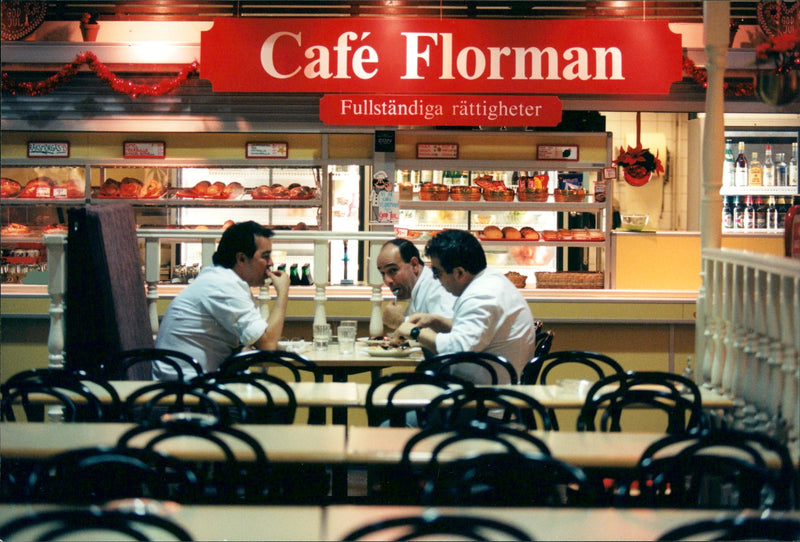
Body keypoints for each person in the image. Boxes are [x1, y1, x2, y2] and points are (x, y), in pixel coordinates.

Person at [393, 229, 537, 384]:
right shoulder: (489, 280)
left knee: (387, 399)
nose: (435, 278)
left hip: (485, 398)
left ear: (459, 273)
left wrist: (414, 331)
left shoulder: (482, 295)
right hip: (484, 385)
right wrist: (435, 320)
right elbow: (475, 333)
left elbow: (457, 349)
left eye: (437, 272)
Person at [154, 221, 290, 379]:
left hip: (192, 381)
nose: (271, 263)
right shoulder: (223, 285)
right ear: (241, 259)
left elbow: (258, 340)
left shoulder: (223, 279)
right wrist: (283, 293)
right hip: (184, 389)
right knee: (277, 394)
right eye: (265, 256)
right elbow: (267, 346)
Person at [376, 238, 456, 332]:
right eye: (382, 273)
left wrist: (401, 322)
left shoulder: (436, 287)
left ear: (414, 265)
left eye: (393, 270)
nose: (387, 280)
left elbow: (449, 335)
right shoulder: (416, 290)